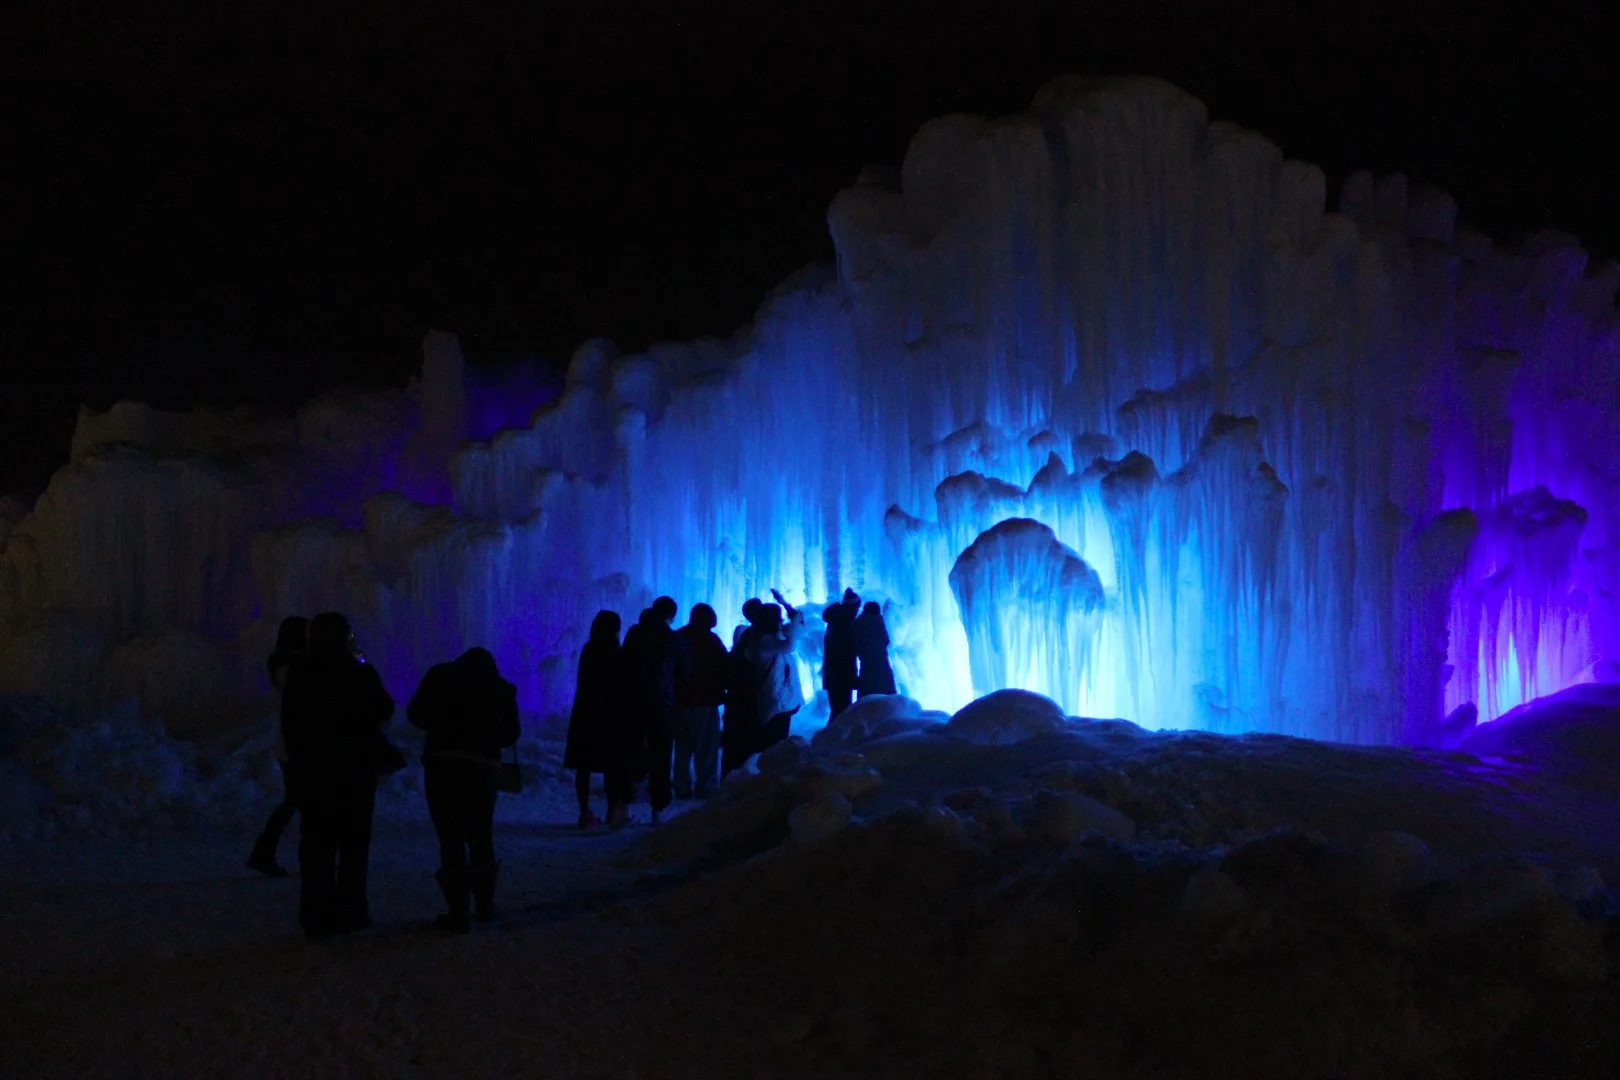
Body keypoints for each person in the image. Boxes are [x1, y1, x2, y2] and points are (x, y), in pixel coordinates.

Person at [281, 613, 394, 940]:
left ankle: (315, 916)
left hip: (315, 774)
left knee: (316, 846)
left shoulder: (300, 676)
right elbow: (384, 710)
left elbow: (291, 724)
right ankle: (351, 912)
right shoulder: (359, 673)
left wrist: (300, 761)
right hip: (355, 774)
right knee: (354, 845)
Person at [407, 647, 521, 932]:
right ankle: (484, 904)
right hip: (483, 769)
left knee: (451, 837)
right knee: (481, 835)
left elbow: (415, 713)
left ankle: (457, 911)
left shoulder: (440, 675)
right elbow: (510, 735)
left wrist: (442, 726)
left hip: (442, 763)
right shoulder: (500, 687)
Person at [247, 616, 308, 877]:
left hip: (293, 743)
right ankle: (267, 852)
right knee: (297, 801)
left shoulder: (284, 664)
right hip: (296, 745)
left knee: (296, 801)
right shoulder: (289, 666)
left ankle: (266, 852)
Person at [621, 596, 689, 823]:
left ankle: (624, 807)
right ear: (671, 615)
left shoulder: (634, 634)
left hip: (632, 702)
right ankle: (658, 809)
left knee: (630, 752)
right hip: (661, 703)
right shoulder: (673, 638)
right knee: (661, 755)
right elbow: (683, 671)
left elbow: (624, 662)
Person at [564, 611, 634, 829]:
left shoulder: (589, 648)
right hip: (610, 716)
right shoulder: (615, 652)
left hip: (586, 715)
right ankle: (612, 810)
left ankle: (584, 812)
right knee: (612, 766)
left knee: (584, 767)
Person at [673, 602, 728, 799]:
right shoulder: (710, 640)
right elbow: (724, 665)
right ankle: (705, 786)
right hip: (704, 700)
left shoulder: (678, 636)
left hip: (680, 701)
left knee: (682, 746)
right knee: (706, 747)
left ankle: (681, 786)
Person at [750, 593, 806, 755]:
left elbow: (799, 628)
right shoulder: (765, 640)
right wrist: (791, 615)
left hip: (779, 699)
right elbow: (790, 644)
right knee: (775, 747)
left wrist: (786, 605)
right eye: (778, 618)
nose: (782, 622)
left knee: (777, 743)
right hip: (775, 700)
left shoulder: (772, 637)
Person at [722, 598, 766, 778]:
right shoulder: (755, 642)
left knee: (734, 745)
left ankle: (730, 779)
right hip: (748, 704)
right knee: (745, 743)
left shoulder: (734, 654)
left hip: (735, 704)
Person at [821, 588, 861, 720]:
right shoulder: (843, 623)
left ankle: (829, 739)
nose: (857, 611)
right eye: (856, 608)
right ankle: (827, 739)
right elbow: (844, 654)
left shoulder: (836, 620)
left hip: (834, 676)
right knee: (841, 713)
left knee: (838, 711)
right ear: (851, 607)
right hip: (840, 677)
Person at [853, 601, 896, 697]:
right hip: (881, 664)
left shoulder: (857, 623)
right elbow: (885, 640)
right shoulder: (878, 621)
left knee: (868, 693)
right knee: (885, 694)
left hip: (866, 664)